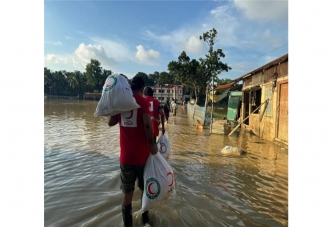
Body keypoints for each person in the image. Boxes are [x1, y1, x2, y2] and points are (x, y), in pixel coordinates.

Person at [108, 75, 157, 227]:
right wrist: (152, 145)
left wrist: (116, 106)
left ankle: (127, 225)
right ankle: (145, 219)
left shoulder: (123, 103)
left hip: (125, 158)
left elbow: (110, 122)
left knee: (127, 194)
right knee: (144, 190)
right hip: (142, 158)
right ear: (142, 88)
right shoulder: (142, 102)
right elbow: (148, 125)